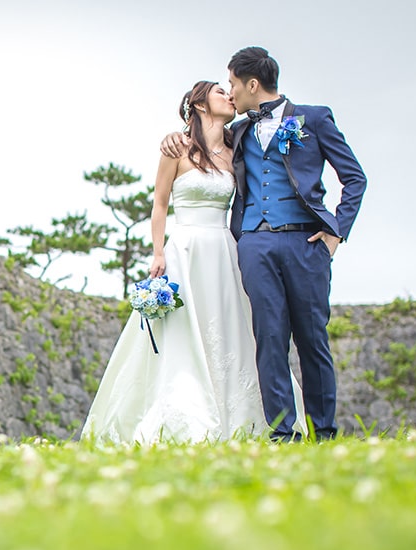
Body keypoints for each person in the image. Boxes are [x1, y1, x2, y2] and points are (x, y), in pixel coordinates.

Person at [160, 46, 367, 441]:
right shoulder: (236, 131)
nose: (231, 93)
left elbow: (355, 178)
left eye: (234, 84)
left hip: (306, 244)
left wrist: (336, 231)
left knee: (313, 340)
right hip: (253, 246)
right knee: (269, 339)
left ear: (252, 83)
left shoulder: (316, 119)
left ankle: (324, 433)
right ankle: (281, 434)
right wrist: (175, 135)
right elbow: (200, 140)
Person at [81, 80, 303, 445]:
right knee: (182, 334)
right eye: (220, 92)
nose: (229, 96)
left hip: (225, 249)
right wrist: (157, 252)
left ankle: (251, 417)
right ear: (199, 105)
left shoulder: (237, 147)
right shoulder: (177, 149)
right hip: (184, 249)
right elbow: (160, 203)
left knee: (234, 329)